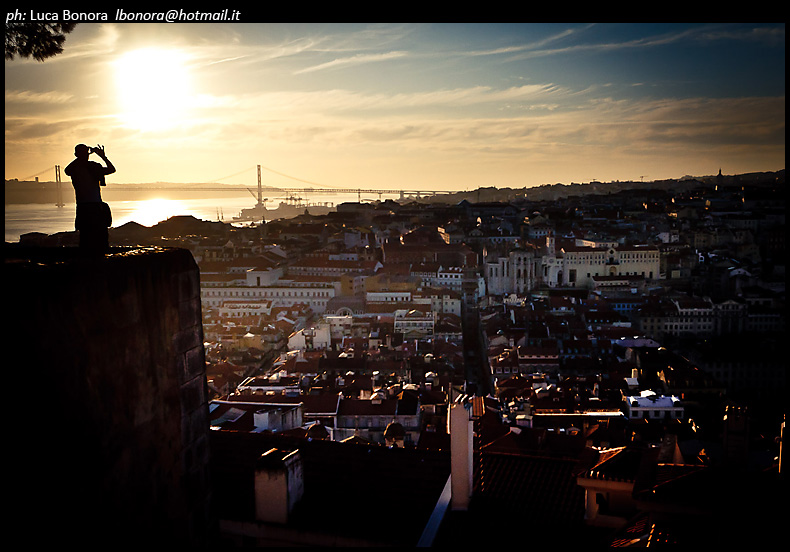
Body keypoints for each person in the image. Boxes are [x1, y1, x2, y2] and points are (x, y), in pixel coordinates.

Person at [64, 144, 116, 255]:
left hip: (85, 206)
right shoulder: (91, 167)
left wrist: (82, 156)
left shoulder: (78, 168)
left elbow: (67, 170)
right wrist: (103, 157)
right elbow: (111, 169)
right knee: (98, 236)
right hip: (93, 206)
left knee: (86, 237)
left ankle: (89, 259)